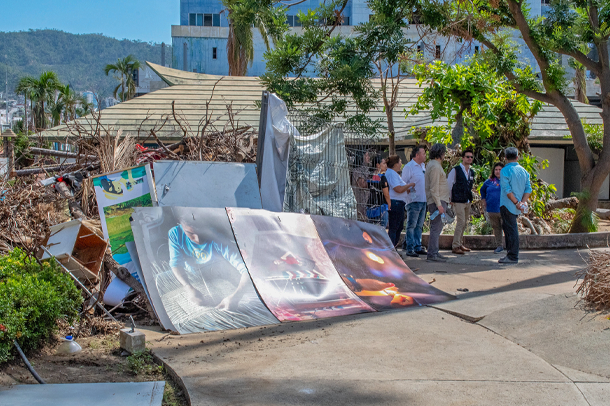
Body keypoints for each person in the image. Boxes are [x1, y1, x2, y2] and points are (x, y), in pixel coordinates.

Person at [168, 209, 252, 310]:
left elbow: (246, 269)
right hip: (192, 276)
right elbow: (176, 263)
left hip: (218, 275)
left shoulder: (217, 238)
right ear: (181, 224)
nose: (197, 239)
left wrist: (236, 296)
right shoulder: (175, 234)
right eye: (190, 233)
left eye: (201, 232)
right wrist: (187, 286)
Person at [499, 147, 532, 264]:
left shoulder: (505, 171)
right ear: (517, 157)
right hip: (517, 205)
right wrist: (522, 202)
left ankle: (512, 256)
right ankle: (511, 254)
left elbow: (507, 190)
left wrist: (516, 202)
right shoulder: (524, 171)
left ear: (505, 158)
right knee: (511, 229)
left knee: (510, 230)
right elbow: (528, 188)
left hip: (507, 204)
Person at [447, 148, 475, 255]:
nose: (469, 159)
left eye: (471, 157)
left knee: (464, 223)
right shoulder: (456, 170)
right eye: (467, 157)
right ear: (463, 158)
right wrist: (450, 198)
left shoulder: (471, 172)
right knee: (460, 222)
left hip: (467, 200)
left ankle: (460, 243)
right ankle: (455, 245)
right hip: (457, 200)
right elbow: (449, 184)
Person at [425, 143, 450, 262]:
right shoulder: (435, 166)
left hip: (438, 200)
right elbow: (434, 187)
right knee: (436, 227)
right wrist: (439, 204)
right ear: (441, 153)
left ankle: (434, 251)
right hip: (437, 201)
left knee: (437, 227)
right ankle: (432, 253)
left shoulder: (433, 165)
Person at [401, 145, 428, 257]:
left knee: (419, 225)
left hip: (423, 200)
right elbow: (403, 183)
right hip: (413, 201)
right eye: (423, 153)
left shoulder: (423, 166)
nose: (425, 155)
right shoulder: (409, 167)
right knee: (411, 225)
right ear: (417, 155)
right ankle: (410, 247)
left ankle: (418, 246)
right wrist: (410, 191)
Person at [385, 155, 415, 248]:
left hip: (400, 203)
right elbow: (398, 189)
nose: (401, 164)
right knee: (394, 227)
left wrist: (406, 188)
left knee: (399, 227)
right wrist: (409, 185)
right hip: (395, 202)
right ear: (395, 164)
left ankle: (394, 247)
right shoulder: (391, 174)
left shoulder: (394, 174)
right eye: (400, 162)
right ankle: (392, 248)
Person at [480, 163, 505, 253]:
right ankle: (499, 246)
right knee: (496, 228)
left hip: (504, 209)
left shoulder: (506, 180)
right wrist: (484, 200)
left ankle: (510, 246)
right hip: (492, 209)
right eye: (496, 169)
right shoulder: (489, 181)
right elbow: (482, 190)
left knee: (506, 228)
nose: (498, 171)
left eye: (500, 169)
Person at [366, 155, 390, 228]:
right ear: (378, 165)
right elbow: (386, 194)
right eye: (384, 163)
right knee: (381, 231)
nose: (386, 165)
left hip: (370, 207)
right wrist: (389, 204)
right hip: (381, 207)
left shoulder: (370, 177)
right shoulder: (382, 178)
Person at [352, 150, 372, 221]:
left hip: (366, 201)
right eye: (366, 156)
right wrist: (371, 182)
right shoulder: (357, 170)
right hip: (359, 200)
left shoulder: (367, 169)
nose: (368, 157)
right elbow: (361, 184)